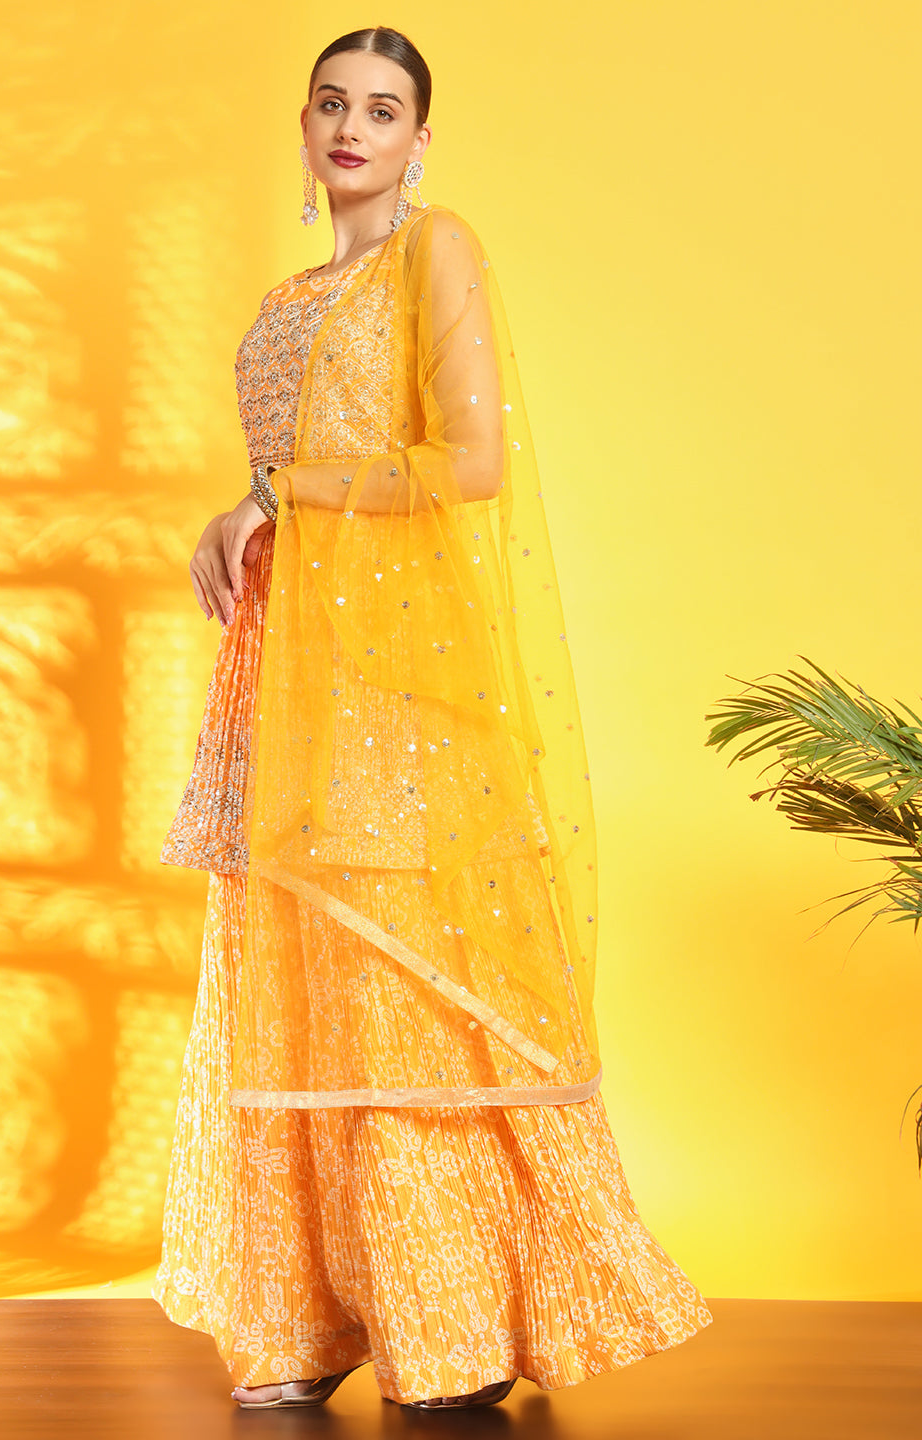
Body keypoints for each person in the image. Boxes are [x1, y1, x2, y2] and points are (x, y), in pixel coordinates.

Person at [152, 25, 714, 1412]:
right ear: (303, 126)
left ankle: (447, 1327)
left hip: (401, 688)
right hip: (289, 677)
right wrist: (246, 521)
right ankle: (305, 1321)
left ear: (419, 139)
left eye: (383, 109)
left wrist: (274, 498)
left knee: (404, 996)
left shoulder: (433, 250)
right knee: (306, 992)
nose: (353, 127)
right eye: (331, 103)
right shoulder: (290, 295)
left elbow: (467, 462)